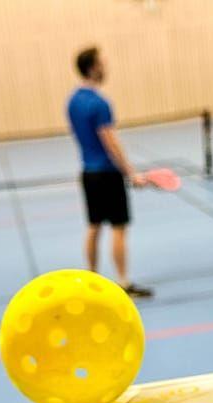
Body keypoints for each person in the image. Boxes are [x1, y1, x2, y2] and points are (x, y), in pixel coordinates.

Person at [66, 47, 153, 298]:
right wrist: (131, 172)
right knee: (118, 228)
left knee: (93, 227)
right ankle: (123, 283)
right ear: (93, 68)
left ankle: (91, 280)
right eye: (102, 63)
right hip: (107, 173)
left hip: (88, 173)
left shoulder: (72, 101)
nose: (106, 67)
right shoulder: (100, 103)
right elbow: (109, 140)